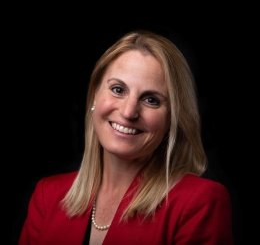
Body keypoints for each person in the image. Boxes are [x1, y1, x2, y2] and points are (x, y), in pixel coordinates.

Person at [19, 30, 233, 245]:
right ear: (95, 93)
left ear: (173, 118)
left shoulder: (199, 203)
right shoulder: (48, 196)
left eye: (151, 100)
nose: (129, 112)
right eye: (118, 89)